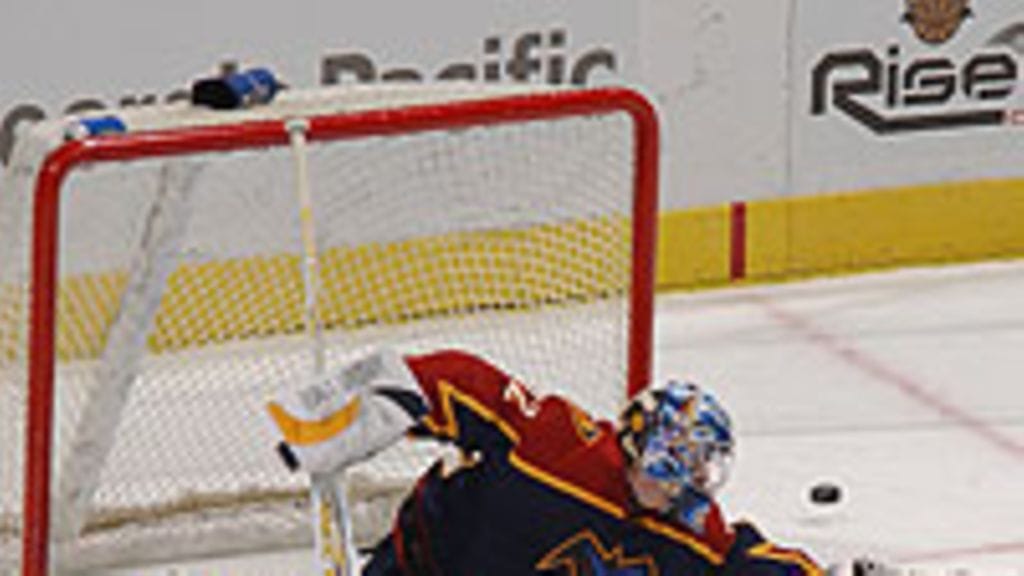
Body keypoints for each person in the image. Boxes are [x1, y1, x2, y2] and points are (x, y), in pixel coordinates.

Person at [267, 348, 824, 576]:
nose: (690, 482)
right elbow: (463, 381)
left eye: (702, 468)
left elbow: (741, 565)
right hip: (427, 565)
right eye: (679, 461)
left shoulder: (686, 527)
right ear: (639, 444)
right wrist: (381, 396)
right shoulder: (562, 447)